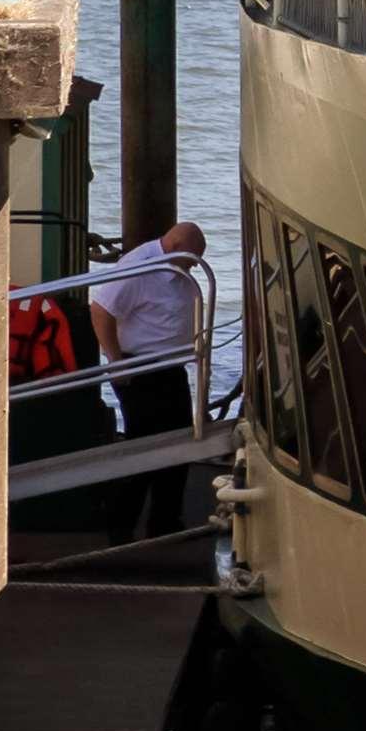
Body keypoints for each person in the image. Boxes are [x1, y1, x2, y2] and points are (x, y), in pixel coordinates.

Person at [92, 222, 211, 537]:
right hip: (141, 369)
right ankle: (120, 526)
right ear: (174, 248)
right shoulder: (141, 267)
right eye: (191, 261)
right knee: (144, 447)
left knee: (180, 443)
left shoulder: (174, 266)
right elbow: (102, 310)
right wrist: (116, 363)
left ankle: (165, 522)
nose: (193, 269)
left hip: (169, 368)